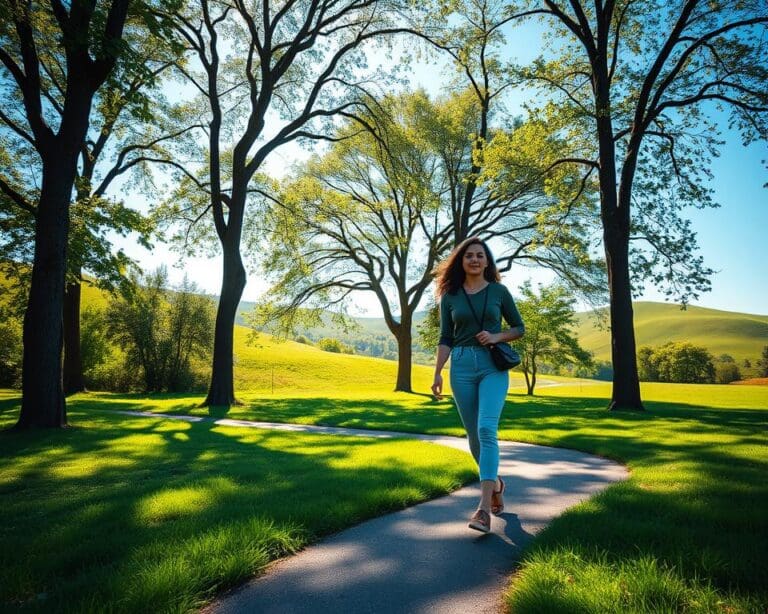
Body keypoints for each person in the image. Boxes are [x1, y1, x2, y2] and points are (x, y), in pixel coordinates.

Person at [431, 237, 525, 534]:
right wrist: (437, 373)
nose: (474, 260)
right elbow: (446, 336)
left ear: (487, 262)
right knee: (473, 436)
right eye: (469, 255)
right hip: (460, 365)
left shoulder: (499, 291)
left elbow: (519, 328)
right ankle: (495, 483)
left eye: (480, 256)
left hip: (492, 366)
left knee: (486, 429)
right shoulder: (450, 296)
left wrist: (497, 337)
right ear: (461, 261)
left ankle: (483, 510)